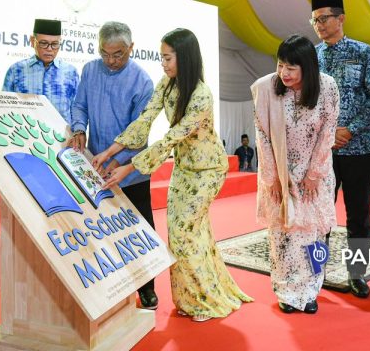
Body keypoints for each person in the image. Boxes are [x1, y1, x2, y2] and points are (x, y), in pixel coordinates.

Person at [92, 28, 253, 322]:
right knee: (194, 233)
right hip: (183, 168)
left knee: (183, 236)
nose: (163, 64)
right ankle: (202, 294)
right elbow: (144, 121)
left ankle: (202, 301)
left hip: (207, 170)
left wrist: (129, 166)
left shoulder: (201, 95)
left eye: (167, 58)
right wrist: (110, 151)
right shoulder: (166, 83)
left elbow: (171, 138)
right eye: (161, 58)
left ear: (185, 57)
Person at [69, 21, 157, 309]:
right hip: (94, 166)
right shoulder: (90, 70)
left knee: (139, 230)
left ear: (131, 48)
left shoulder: (142, 81)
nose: (110, 60)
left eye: (118, 54)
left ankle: (146, 288)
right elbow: (79, 104)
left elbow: (139, 133)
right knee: (100, 231)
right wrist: (79, 128)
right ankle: (107, 290)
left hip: (130, 172)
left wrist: (117, 161)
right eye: (105, 53)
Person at [251, 35, 339, 314]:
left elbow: (328, 132)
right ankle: (286, 290)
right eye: (280, 65)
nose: (283, 73)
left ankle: (312, 289)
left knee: (314, 235)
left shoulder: (327, 87)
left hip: (316, 173)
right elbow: (262, 136)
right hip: (279, 173)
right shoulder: (267, 89)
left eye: (291, 67)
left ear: (307, 67)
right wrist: (272, 178)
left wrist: (315, 173)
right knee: (282, 236)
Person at [310, 0, 370, 298]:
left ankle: (357, 274)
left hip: (360, 148)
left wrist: (349, 130)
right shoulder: (310, 56)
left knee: (358, 214)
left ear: (340, 18)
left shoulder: (365, 53)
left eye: (324, 18)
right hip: (321, 151)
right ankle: (315, 274)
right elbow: (304, 100)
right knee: (318, 215)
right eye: (314, 20)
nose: (319, 25)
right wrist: (327, 134)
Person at [2, 18, 79, 125]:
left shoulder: (70, 72)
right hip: (25, 137)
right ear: (32, 41)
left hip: (62, 139)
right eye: (43, 43)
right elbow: (4, 108)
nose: (49, 49)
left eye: (55, 44)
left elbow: (77, 110)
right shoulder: (16, 70)